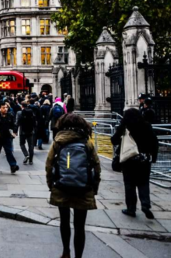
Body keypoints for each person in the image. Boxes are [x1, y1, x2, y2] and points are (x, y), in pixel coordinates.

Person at [46, 113, 101, 258]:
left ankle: (66, 252)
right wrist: (94, 187)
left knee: (64, 222)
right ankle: (78, 256)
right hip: (83, 188)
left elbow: (49, 164)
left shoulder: (58, 142)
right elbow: (96, 166)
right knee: (79, 226)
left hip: (61, 186)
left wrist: (51, 185)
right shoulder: (86, 143)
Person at [111, 108, 159, 219]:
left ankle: (131, 208)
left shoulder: (125, 126)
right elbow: (154, 142)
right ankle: (145, 205)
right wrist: (154, 157)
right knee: (143, 183)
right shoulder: (146, 125)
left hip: (129, 160)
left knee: (129, 185)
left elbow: (114, 140)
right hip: (144, 159)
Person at [0, 103, 19, 173]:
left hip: (7, 137)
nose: (5, 109)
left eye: (6, 107)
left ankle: (13, 166)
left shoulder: (10, 115)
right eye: (3, 108)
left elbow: (14, 124)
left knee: (9, 152)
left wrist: (14, 132)